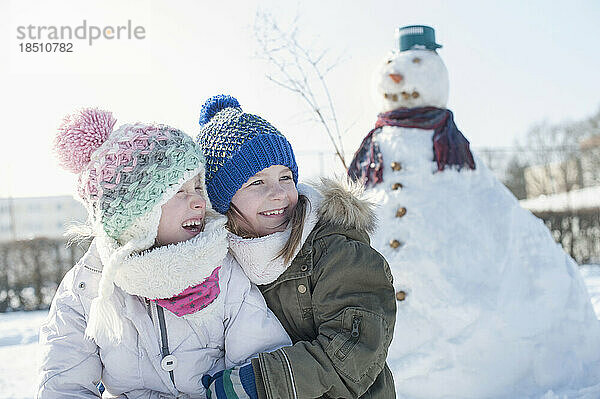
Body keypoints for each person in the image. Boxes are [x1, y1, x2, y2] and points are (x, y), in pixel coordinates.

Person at [37, 108, 290, 398]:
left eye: (197, 186)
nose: (198, 200)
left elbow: (260, 365)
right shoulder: (87, 287)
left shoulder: (223, 269)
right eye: (178, 191)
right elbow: (63, 385)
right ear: (136, 214)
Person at [197, 95, 397, 398]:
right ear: (224, 199)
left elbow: (354, 351)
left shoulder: (335, 248)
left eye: (285, 177)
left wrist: (259, 383)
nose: (278, 194)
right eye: (257, 183)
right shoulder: (220, 262)